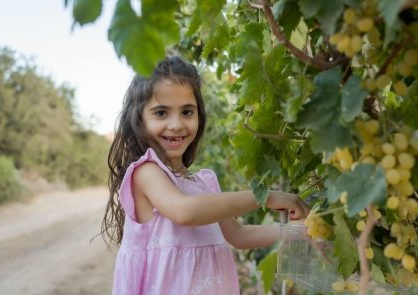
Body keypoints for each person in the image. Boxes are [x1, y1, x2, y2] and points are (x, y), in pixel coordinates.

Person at [103, 54, 310, 295]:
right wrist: (265, 196)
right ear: (139, 119)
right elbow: (185, 211)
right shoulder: (146, 172)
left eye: (187, 112)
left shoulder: (203, 183)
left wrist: (300, 232)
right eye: (161, 113)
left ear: (199, 116)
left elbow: (239, 235)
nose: (177, 124)